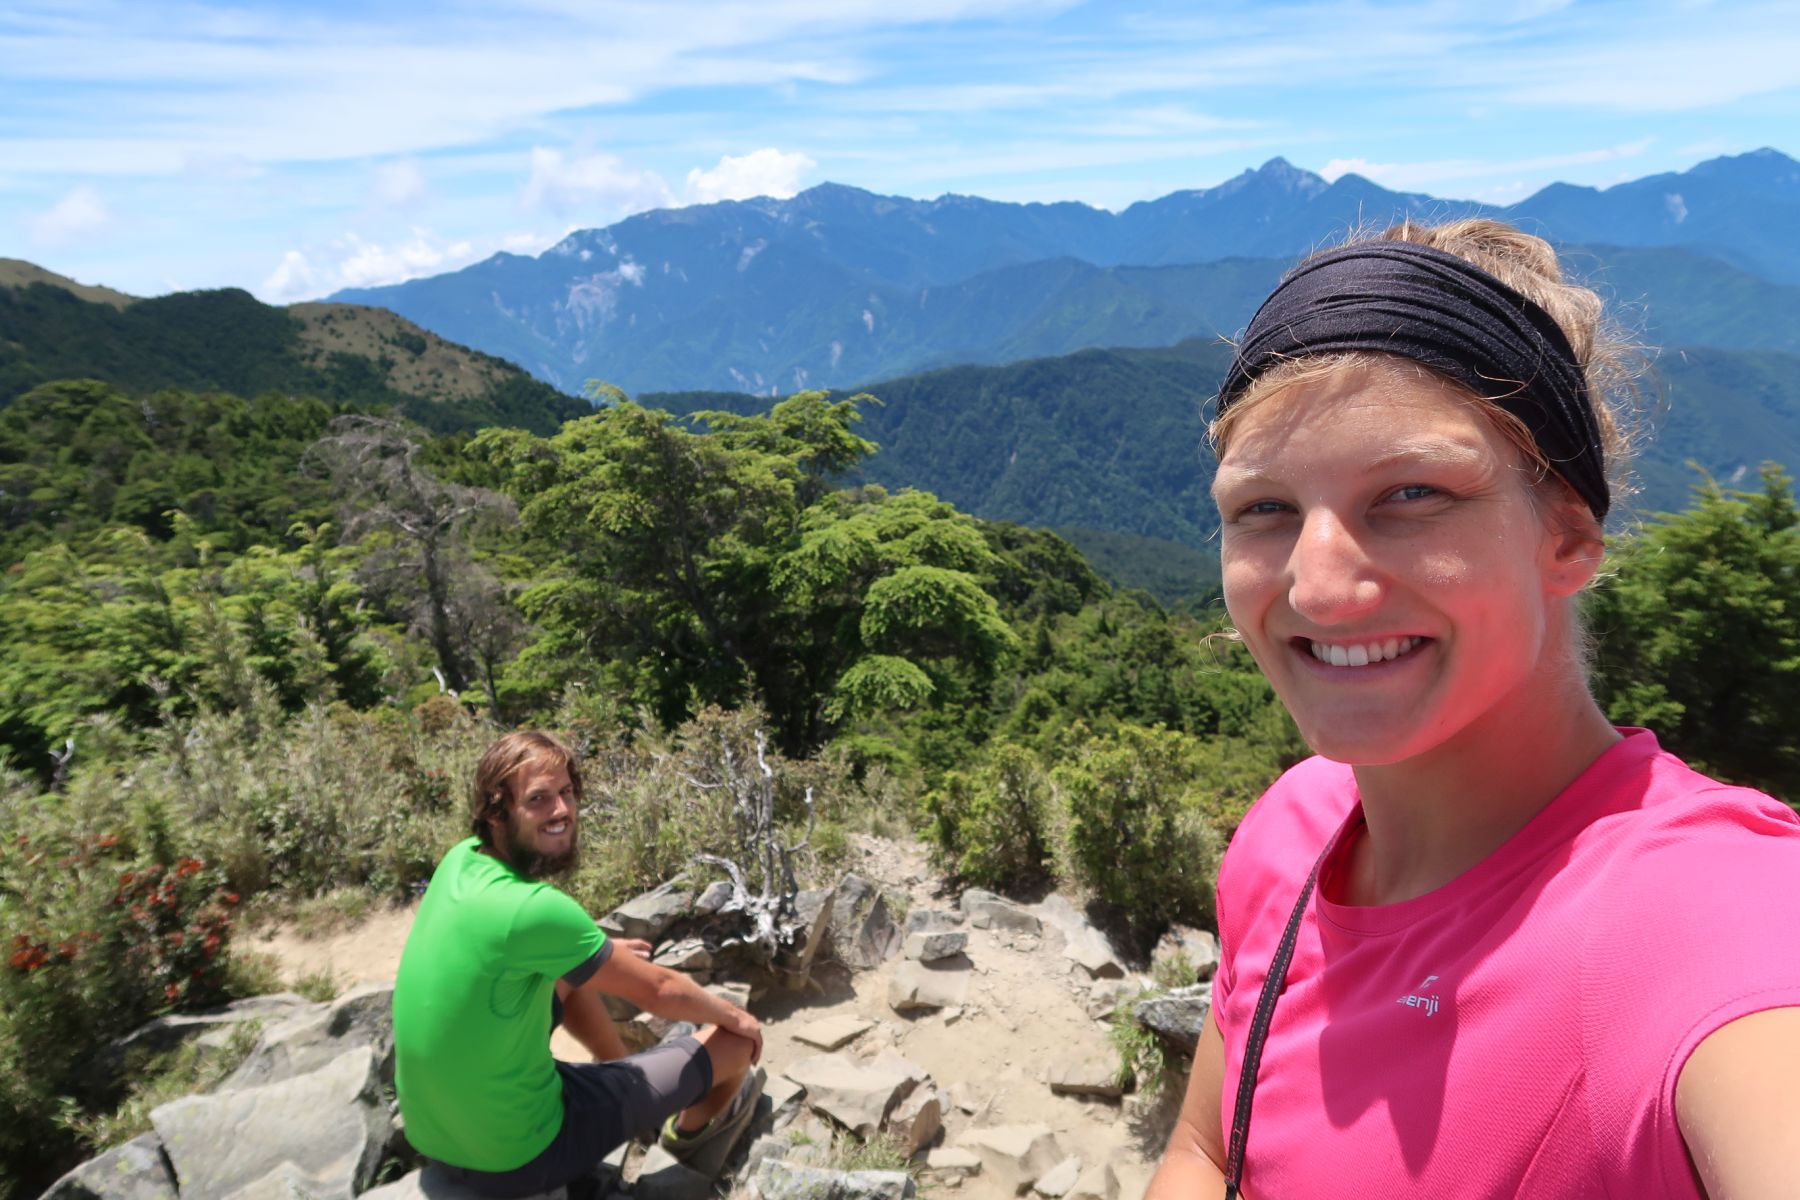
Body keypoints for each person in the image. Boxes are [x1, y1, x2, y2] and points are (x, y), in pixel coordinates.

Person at [1146, 219, 1800, 1199]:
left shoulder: (1708, 914)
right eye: (1262, 508)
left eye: (1412, 493)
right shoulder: (1289, 836)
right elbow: (1206, 1151)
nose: (1318, 588)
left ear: (1568, 538)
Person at [393, 730, 765, 1197]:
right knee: (733, 1045)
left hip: (434, 1138)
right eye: (539, 799)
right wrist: (738, 1018)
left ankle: (618, 1068)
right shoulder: (533, 910)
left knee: (570, 968)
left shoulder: (459, 861)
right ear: (495, 812)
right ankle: (682, 1139)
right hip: (519, 1157)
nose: (562, 811)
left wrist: (592, 954)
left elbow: (534, 943)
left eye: (566, 792)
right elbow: (660, 991)